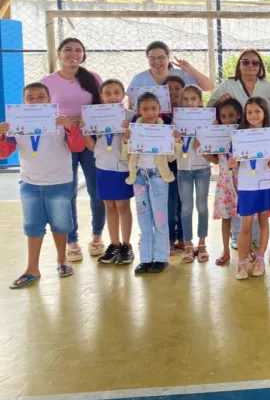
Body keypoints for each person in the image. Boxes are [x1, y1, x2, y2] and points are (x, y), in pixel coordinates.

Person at [1, 82, 86, 288]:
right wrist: (1, 135)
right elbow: (3, 153)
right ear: (24, 101)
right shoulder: (15, 124)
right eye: (31, 98)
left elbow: (78, 146)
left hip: (59, 183)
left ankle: (62, 260)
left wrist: (70, 127)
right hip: (30, 183)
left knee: (61, 225)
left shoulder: (60, 122)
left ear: (49, 100)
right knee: (32, 227)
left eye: (41, 97)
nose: (36, 100)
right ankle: (32, 268)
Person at [40, 38, 105, 262]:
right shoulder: (47, 81)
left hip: (89, 141)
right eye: (68, 49)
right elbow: (39, 111)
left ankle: (97, 235)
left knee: (97, 190)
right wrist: (67, 122)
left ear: (83, 55)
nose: (73, 54)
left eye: (78, 50)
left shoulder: (93, 78)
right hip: (61, 143)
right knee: (68, 192)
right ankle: (72, 240)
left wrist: (85, 120)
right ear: (59, 54)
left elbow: (104, 106)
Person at [122, 92, 180, 275]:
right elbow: (126, 156)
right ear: (138, 110)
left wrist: (176, 140)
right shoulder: (134, 129)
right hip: (139, 177)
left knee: (160, 219)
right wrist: (126, 139)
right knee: (144, 219)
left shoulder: (165, 130)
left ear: (159, 110)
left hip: (158, 177)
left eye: (153, 108)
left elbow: (171, 157)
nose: (150, 113)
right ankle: (145, 259)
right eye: (145, 109)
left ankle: (161, 258)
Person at [86, 79, 135, 266]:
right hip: (103, 166)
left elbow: (136, 145)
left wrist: (128, 135)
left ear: (123, 95)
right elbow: (91, 146)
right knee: (109, 206)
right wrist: (84, 130)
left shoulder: (131, 116)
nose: (112, 96)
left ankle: (126, 245)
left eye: (116, 92)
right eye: (107, 93)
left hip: (122, 167)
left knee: (123, 206)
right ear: (101, 96)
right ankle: (114, 244)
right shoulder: (95, 116)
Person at [230, 97, 270, 280]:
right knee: (246, 225)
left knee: (264, 221)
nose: (253, 115)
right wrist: (233, 162)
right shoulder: (239, 135)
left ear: (264, 113)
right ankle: (241, 262)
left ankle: (260, 259)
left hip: (265, 182)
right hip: (246, 185)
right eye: (249, 112)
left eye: (257, 111)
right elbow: (233, 160)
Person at [201, 97, 243, 267]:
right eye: (224, 116)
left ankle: (247, 251)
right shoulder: (217, 135)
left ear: (239, 115)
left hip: (242, 183)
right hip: (225, 183)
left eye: (231, 115)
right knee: (226, 218)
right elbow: (216, 160)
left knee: (246, 217)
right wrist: (203, 148)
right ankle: (225, 251)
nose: (228, 119)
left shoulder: (245, 134)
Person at [175, 85, 212, 264]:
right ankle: (188, 244)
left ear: (200, 102)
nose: (189, 103)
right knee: (186, 208)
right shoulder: (176, 121)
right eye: (186, 99)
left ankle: (202, 243)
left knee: (202, 206)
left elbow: (214, 146)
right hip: (183, 169)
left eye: (193, 99)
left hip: (202, 168)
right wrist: (174, 138)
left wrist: (203, 142)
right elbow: (170, 149)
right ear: (181, 102)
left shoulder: (208, 120)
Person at [127, 40, 214, 101]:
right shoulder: (139, 79)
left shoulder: (181, 75)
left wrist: (191, 70)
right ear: (147, 58)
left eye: (161, 58)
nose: (156, 62)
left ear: (168, 57)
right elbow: (131, 102)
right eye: (152, 58)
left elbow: (209, 86)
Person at [206, 49, 270, 116]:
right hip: (233, 128)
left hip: (263, 129)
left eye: (255, 63)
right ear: (239, 65)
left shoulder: (268, 86)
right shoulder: (227, 85)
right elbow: (208, 109)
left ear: (260, 66)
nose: (250, 65)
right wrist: (219, 101)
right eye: (245, 62)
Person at [162, 74, 185, 250]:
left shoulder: (192, 113)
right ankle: (169, 238)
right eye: (169, 88)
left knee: (183, 202)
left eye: (177, 88)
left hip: (186, 164)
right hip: (166, 164)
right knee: (169, 203)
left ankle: (183, 237)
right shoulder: (158, 115)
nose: (173, 92)